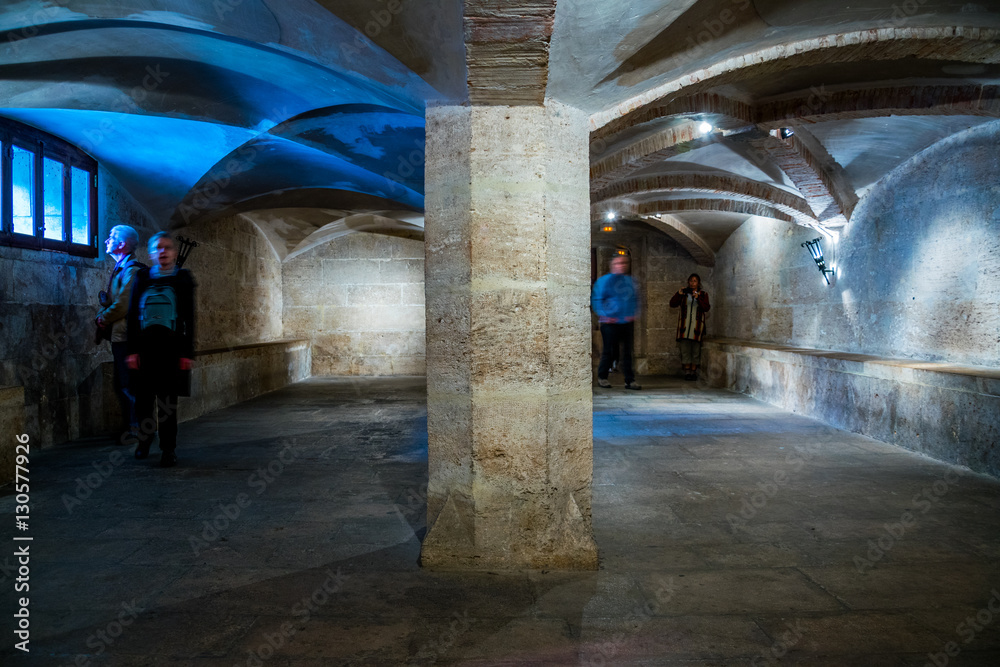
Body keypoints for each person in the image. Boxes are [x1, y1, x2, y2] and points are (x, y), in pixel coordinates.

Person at [126, 232, 195, 467]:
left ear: (174, 252)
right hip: (145, 349)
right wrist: (132, 350)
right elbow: (133, 315)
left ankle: (168, 449)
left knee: (167, 404)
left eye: (167, 248)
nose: (163, 252)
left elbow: (189, 318)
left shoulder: (183, 278)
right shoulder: (142, 277)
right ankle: (144, 442)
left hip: (171, 350)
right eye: (158, 248)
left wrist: (187, 353)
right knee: (143, 401)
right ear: (151, 253)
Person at [95, 225, 145, 444]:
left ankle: (136, 429)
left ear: (122, 244)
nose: (106, 240)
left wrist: (103, 318)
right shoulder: (121, 268)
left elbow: (123, 304)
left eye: (112, 237)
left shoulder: (131, 270)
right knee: (123, 384)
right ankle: (133, 427)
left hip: (126, 337)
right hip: (121, 336)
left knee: (128, 385)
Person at [591, 254, 641, 390]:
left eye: (624, 263)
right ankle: (602, 377)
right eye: (618, 263)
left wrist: (634, 313)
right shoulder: (604, 281)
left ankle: (629, 380)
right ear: (612, 265)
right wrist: (605, 315)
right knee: (609, 351)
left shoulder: (630, 281)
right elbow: (597, 300)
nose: (622, 266)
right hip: (610, 323)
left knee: (627, 352)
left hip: (626, 322)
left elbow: (634, 299)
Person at [669, 273, 711, 381]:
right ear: (688, 282)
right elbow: (672, 303)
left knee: (696, 351)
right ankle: (687, 372)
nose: (692, 283)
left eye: (695, 281)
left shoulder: (703, 294)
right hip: (684, 327)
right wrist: (678, 294)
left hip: (697, 328)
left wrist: (698, 298)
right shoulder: (683, 294)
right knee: (685, 350)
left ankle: (693, 372)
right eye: (691, 281)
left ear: (698, 283)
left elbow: (706, 308)